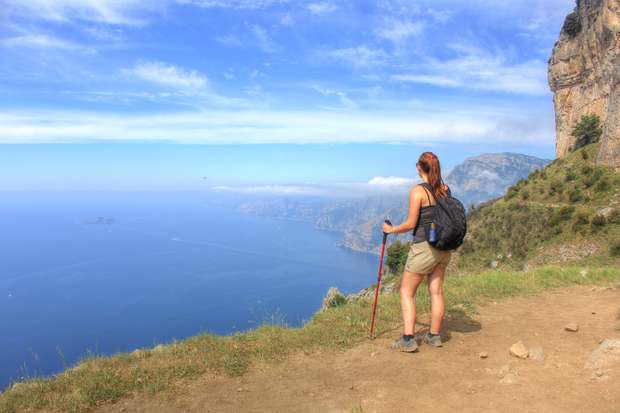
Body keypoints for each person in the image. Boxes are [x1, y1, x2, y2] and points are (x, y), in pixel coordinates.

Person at [382, 152, 451, 352]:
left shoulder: (418, 192)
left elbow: (411, 223)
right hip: (443, 248)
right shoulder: (444, 190)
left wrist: (391, 230)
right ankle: (434, 335)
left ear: (420, 168)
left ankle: (408, 339)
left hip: (424, 247)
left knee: (406, 291)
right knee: (436, 291)